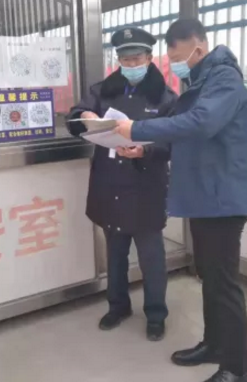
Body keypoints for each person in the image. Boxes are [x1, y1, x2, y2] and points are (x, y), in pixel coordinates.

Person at [116, 19, 247, 382]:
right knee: (209, 277)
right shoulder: (202, 81)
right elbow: (184, 137)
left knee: (224, 284)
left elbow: (199, 123)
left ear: (198, 46)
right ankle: (215, 344)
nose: (176, 63)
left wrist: (137, 129)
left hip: (222, 198)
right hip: (204, 196)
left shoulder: (224, 80)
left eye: (178, 56)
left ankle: (236, 369)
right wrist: (144, 149)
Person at [67, 27, 177, 341]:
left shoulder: (165, 98)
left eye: (136, 59)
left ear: (149, 57)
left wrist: (145, 150)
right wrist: (84, 115)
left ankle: (156, 314)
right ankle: (118, 306)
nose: (131, 65)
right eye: (125, 60)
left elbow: (175, 142)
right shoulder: (103, 90)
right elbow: (74, 118)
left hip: (145, 187)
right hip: (110, 184)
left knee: (151, 257)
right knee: (114, 255)